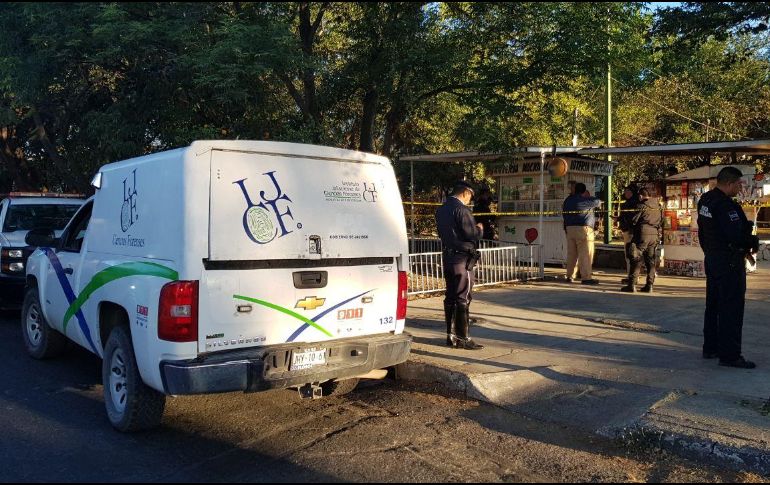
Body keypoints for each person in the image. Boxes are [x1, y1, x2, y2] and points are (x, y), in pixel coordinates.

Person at [698, 167, 759, 369]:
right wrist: (751, 241)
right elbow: (736, 236)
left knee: (713, 305)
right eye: (739, 184)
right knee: (731, 308)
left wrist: (710, 252)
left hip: (713, 259)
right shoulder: (726, 206)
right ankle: (730, 355)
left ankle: (711, 347)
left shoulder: (706, 200)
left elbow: (703, 233)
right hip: (729, 262)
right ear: (730, 183)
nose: (740, 188)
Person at [435, 181, 485, 350]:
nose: (470, 199)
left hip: (448, 257)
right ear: (465, 193)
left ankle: (450, 336)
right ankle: (463, 338)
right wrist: (479, 229)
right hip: (462, 258)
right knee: (463, 297)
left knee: (450, 296)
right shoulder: (462, 210)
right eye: (470, 195)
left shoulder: (441, 210)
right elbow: (470, 234)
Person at [621, 188, 662, 293]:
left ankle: (632, 285)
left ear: (640, 196)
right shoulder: (658, 206)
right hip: (654, 234)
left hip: (642, 233)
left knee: (636, 258)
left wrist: (625, 221)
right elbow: (662, 221)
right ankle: (649, 285)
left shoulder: (641, 205)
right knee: (650, 261)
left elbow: (633, 220)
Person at [562, 182, 602, 285]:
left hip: (569, 229)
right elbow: (597, 202)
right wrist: (587, 196)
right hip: (583, 230)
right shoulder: (584, 200)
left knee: (572, 254)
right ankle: (586, 278)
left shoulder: (567, 200)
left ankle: (570, 276)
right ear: (584, 192)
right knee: (585, 254)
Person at [618, 186, 639, 283]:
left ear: (632, 192)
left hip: (630, 231)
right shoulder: (634, 203)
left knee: (630, 255)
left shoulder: (631, 204)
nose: (625, 193)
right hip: (630, 231)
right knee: (632, 255)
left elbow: (629, 218)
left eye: (627, 191)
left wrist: (620, 219)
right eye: (625, 191)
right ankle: (632, 276)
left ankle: (631, 277)